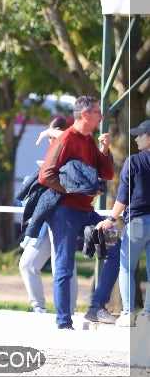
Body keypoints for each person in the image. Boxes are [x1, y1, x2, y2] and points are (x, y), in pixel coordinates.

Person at [40, 95, 116, 329]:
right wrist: (71, 189)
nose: (101, 117)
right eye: (98, 112)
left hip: (87, 212)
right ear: (85, 115)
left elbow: (107, 174)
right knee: (64, 266)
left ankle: (96, 308)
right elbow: (45, 175)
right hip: (64, 212)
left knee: (116, 250)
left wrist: (105, 149)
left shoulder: (90, 140)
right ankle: (64, 323)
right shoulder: (66, 139)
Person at [18, 118, 78, 314]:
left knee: (62, 267)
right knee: (27, 264)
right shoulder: (53, 151)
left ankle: (66, 312)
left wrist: (54, 134)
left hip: (65, 216)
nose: (50, 141)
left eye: (53, 136)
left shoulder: (73, 149)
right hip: (45, 221)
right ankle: (38, 307)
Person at [98, 119, 150, 327]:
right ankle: (147, 314)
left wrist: (111, 219)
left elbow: (123, 197)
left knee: (127, 267)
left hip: (137, 222)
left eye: (140, 134)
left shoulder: (134, 162)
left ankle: (128, 313)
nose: (136, 138)